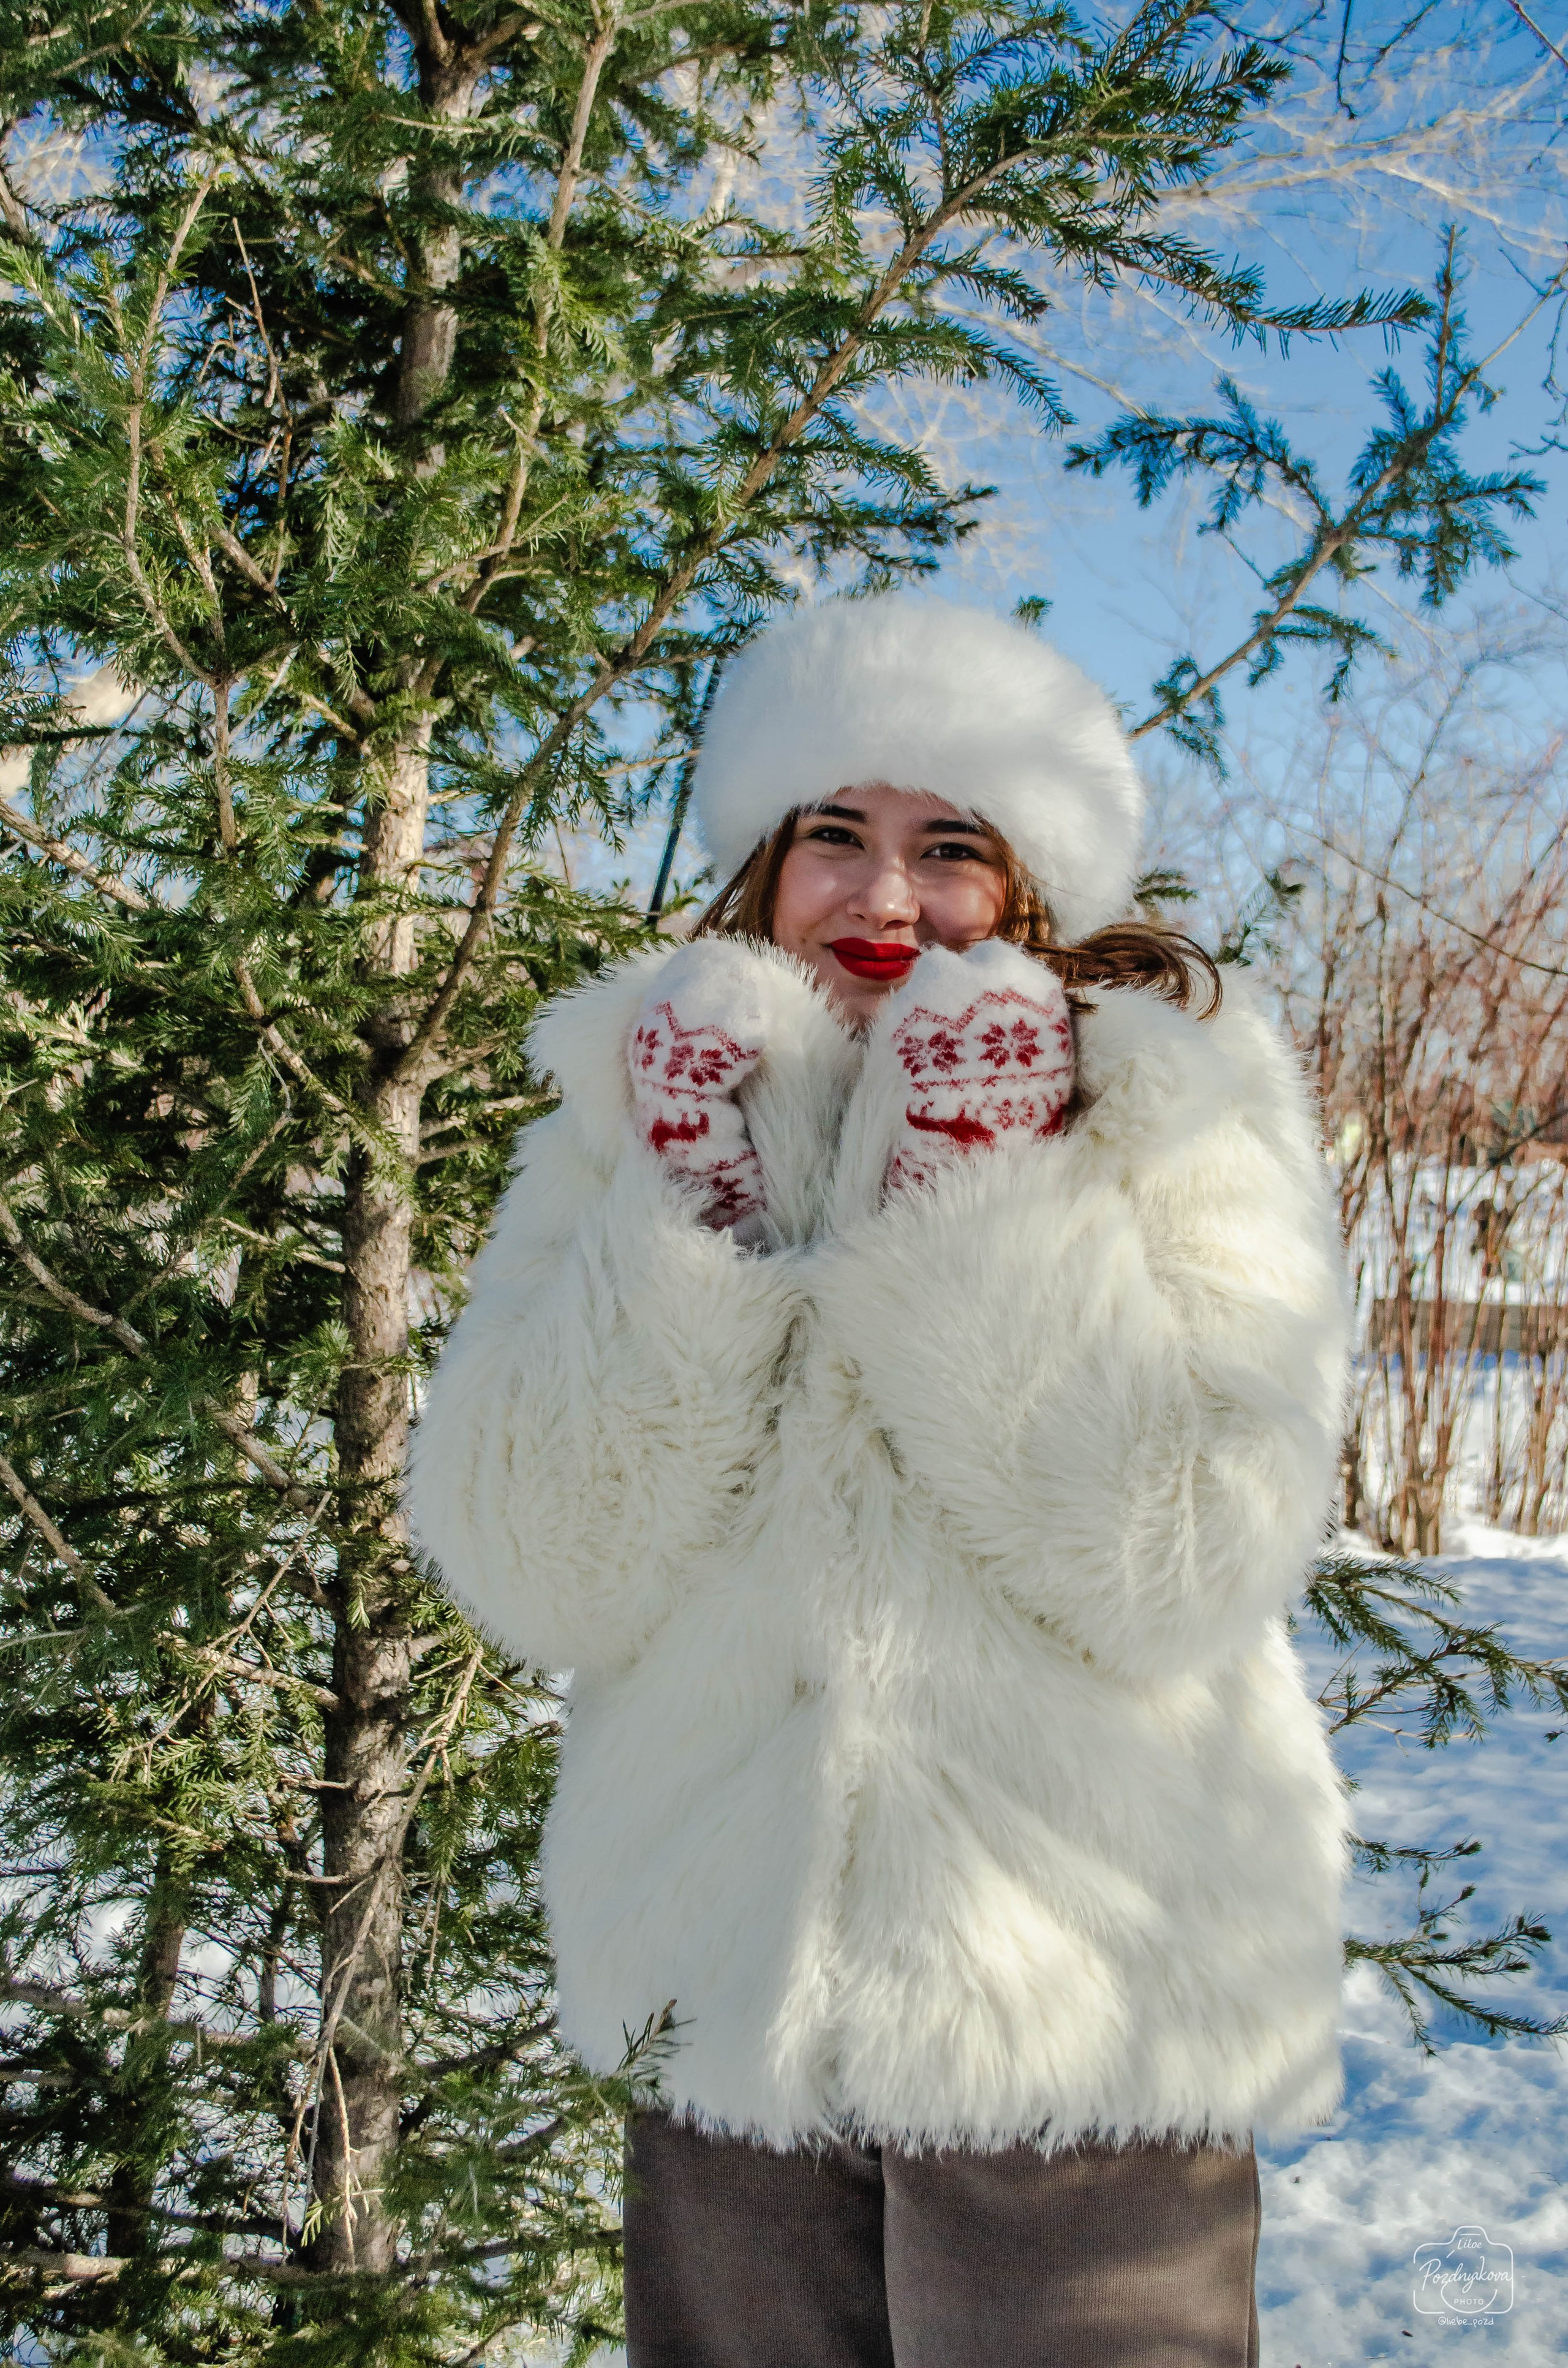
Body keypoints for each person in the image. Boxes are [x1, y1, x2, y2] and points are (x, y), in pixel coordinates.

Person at [406, 594, 1352, 2368]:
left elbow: (1190, 1556)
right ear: (761, 865)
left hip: (1091, 1997)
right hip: (733, 1992)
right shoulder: (648, 1106)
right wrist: (689, 1221)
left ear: (1037, 883)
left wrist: (975, 1207)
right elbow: (541, 1561)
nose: (886, 896)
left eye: (951, 848)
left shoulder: (1173, 1099)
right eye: (833, 832)